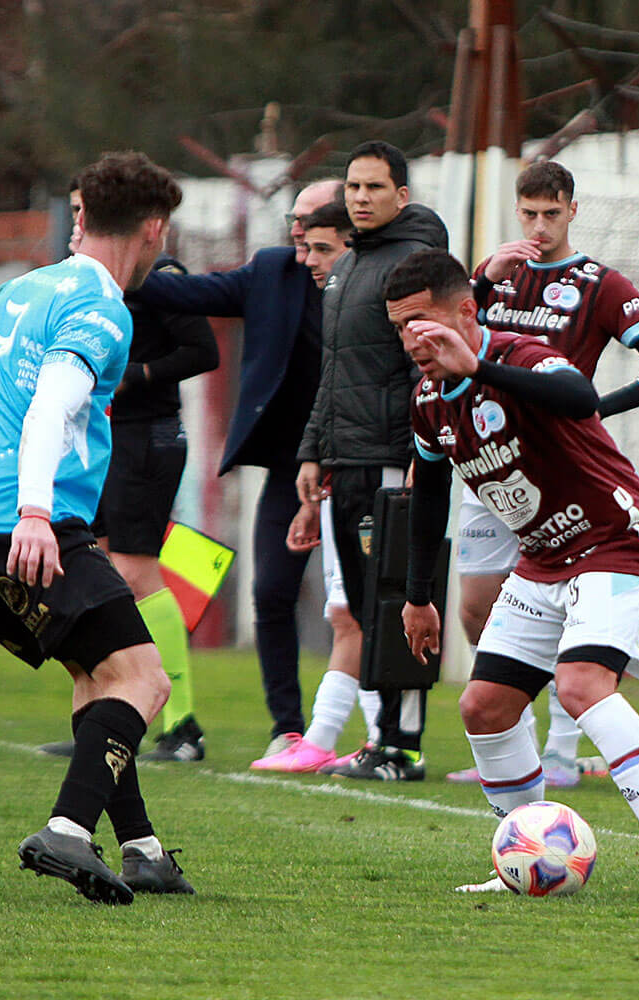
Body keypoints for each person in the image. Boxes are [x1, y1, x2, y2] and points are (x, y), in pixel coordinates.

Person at [390, 248, 639, 902]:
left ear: (465, 311)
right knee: (484, 707)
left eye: (423, 322)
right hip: (544, 560)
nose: (412, 340)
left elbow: (579, 398)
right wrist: (418, 596)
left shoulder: (522, 356)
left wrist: (479, 366)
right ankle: (529, 850)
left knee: (579, 685)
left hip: (619, 541)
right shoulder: (428, 398)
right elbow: (429, 494)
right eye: (400, 327)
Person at [0, 152, 194, 903]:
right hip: (31, 523)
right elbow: (50, 408)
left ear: (81, 217)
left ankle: (142, 850)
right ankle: (69, 830)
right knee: (146, 678)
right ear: (153, 229)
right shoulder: (102, 308)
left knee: (99, 677)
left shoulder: (16, 291)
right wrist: (30, 508)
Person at [449, 159, 639, 787]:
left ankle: (559, 754)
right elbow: (444, 336)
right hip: (488, 463)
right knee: (477, 610)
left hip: (558, 472)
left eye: (551, 213)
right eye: (528, 213)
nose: (539, 225)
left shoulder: (600, 284)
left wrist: (593, 407)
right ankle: (515, 745)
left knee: (567, 623)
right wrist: (480, 281)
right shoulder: (493, 279)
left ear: (572, 211)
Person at [129, 183, 382, 765]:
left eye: (313, 224)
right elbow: (190, 294)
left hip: (360, 466)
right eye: (295, 221)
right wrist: (122, 258)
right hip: (290, 468)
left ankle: (388, 736)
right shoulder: (275, 270)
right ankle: (288, 729)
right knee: (270, 594)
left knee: (365, 605)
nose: (298, 234)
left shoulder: (380, 280)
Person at [294, 140, 448, 780]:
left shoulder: (414, 263)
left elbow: (429, 366)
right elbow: (334, 374)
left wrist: (421, 457)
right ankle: (380, 736)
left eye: (374, 188)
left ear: (402, 196)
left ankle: (402, 743)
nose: (360, 198)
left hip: (392, 458)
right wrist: (312, 451)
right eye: (353, 188)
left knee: (396, 603)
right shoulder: (351, 264)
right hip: (345, 459)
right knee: (361, 607)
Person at [96, 251, 219, 763]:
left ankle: (182, 724)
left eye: (86, 211)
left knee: (134, 571)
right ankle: (103, 719)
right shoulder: (90, 277)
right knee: (100, 570)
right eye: (75, 210)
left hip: (147, 435)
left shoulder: (160, 278)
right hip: (100, 436)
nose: (78, 222)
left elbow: (202, 351)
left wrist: (137, 374)